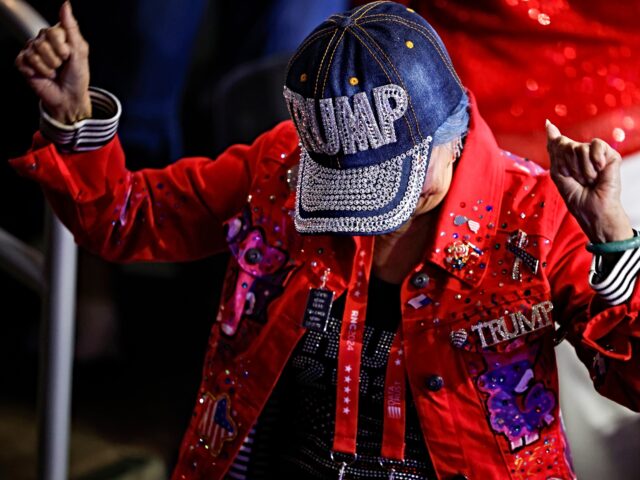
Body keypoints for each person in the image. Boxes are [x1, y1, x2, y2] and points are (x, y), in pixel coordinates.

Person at [12, 1, 640, 479]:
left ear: (457, 131)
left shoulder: (537, 216)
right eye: (343, 183)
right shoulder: (282, 167)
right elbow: (125, 218)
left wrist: (614, 241)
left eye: (394, 186)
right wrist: (74, 120)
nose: (371, 219)